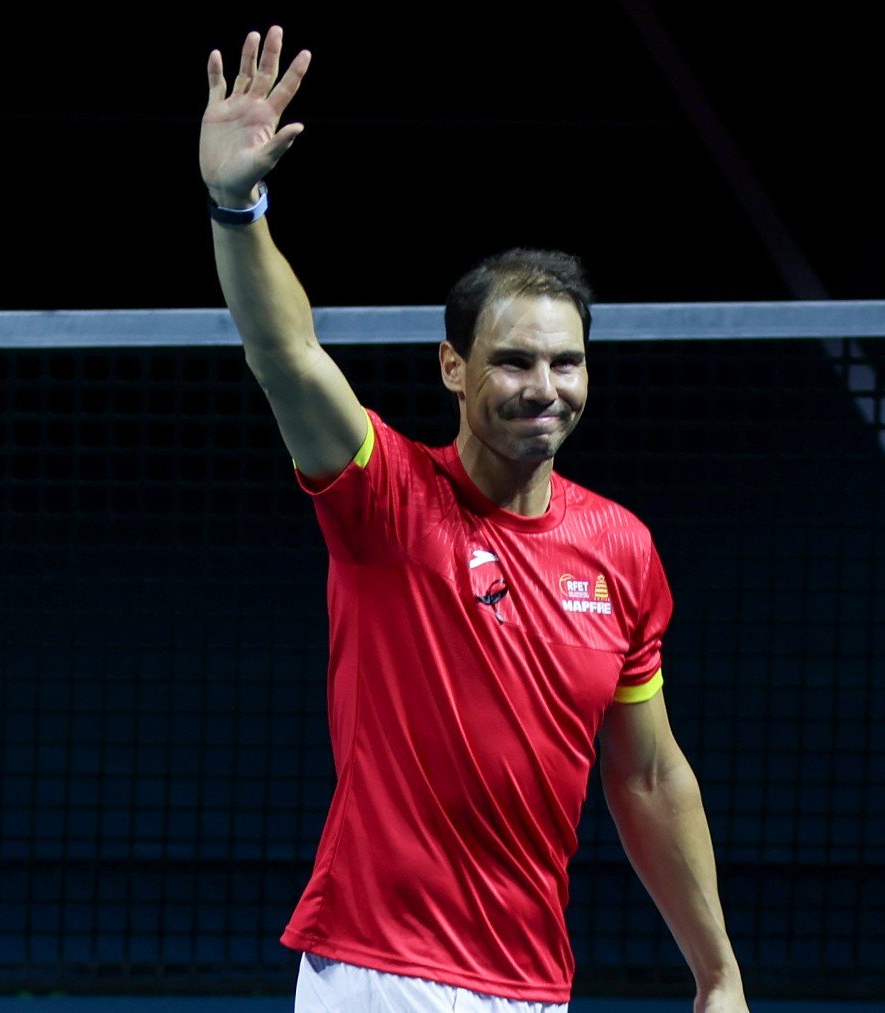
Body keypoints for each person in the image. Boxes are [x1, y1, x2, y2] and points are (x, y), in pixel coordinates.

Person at [200, 26, 749, 1013]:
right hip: (377, 969)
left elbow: (653, 776)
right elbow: (285, 354)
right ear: (454, 367)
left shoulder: (622, 548)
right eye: (513, 361)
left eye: (566, 361)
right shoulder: (386, 498)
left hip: (534, 982)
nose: (545, 386)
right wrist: (237, 207)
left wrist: (717, 970)